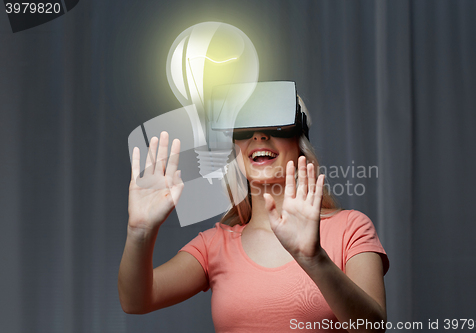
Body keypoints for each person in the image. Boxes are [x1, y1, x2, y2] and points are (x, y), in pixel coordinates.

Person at [118, 94, 389, 332]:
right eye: (245, 128)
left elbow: (373, 328)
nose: (259, 136)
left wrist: (314, 259)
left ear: (299, 142)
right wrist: (139, 232)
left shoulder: (350, 228)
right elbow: (136, 301)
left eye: (276, 125)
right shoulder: (215, 244)